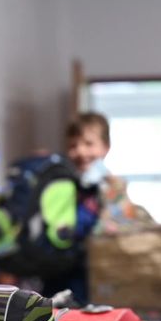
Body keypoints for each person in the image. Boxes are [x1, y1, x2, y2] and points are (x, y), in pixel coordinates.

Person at [41, 113, 112, 304]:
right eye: (73, 145)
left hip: (98, 283)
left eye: (89, 144)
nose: (81, 152)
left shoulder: (111, 189)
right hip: (60, 280)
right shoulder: (62, 186)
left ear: (106, 147)